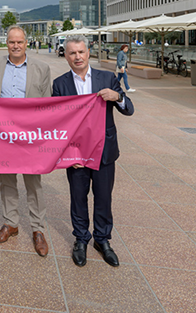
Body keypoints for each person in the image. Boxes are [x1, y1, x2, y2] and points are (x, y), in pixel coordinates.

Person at [52, 34, 134, 268]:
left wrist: (117, 96)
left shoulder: (107, 78)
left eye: (81, 52)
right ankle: (80, 239)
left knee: (103, 198)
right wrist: (67, 154)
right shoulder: (60, 84)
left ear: (88, 53)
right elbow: (58, 123)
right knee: (78, 198)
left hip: (104, 151)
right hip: (76, 154)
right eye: (72, 53)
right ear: (66, 56)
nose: (77, 57)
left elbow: (129, 109)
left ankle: (102, 239)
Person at [0, 25, 52, 257]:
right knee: (7, 181)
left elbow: (48, 103)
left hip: (30, 136)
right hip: (3, 134)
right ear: (7, 43)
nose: (15, 46)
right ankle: (10, 223)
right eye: (12, 42)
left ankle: (38, 229)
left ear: (26, 43)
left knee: (33, 183)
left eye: (19, 42)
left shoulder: (42, 68)